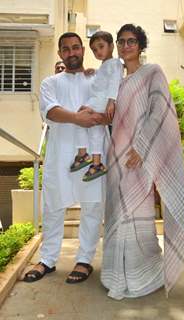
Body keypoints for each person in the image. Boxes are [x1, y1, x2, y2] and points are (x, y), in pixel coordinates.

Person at [101, 24, 184, 300]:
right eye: (121, 41)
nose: (126, 45)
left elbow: (159, 112)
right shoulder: (115, 80)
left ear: (141, 46)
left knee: (136, 211)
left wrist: (142, 147)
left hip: (140, 155)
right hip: (117, 156)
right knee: (118, 212)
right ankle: (116, 274)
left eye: (132, 41)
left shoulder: (152, 72)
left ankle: (144, 275)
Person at [23, 32, 107, 284]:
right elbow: (50, 111)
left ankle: (84, 260)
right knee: (53, 205)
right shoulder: (50, 82)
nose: (71, 53)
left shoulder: (96, 79)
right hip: (60, 153)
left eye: (75, 48)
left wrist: (96, 117)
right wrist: (78, 118)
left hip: (93, 153)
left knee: (92, 205)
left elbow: (109, 111)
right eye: (66, 49)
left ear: (83, 50)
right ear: (60, 54)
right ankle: (47, 260)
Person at [70, 31, 123, 182]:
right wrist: (93, 71)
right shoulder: (106, 65)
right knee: (95, 133)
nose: (98, 51)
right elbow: (104, 76)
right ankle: (96, 163)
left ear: (111, 46)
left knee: (79, 117)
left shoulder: (116, 63)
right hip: (99, 101)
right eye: (94, 49)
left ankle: (82, 154)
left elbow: (114, 81)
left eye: (101, 47)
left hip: (100, 102)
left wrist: (111, 101)